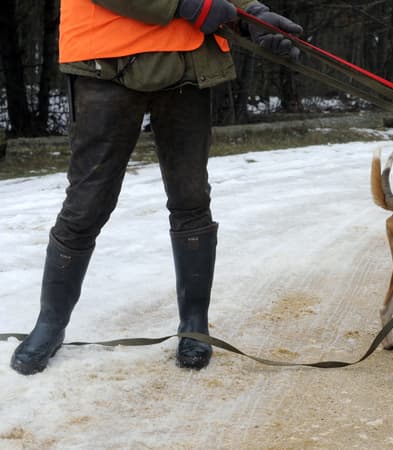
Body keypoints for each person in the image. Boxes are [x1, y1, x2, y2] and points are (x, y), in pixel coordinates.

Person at [10, 0, 302, 375]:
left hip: (187, 61)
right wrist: (182, 4)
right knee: (86, 204)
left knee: (191, 197)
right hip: (105, 62)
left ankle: (194, 324)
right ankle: (50, 323)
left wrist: (250, 14)